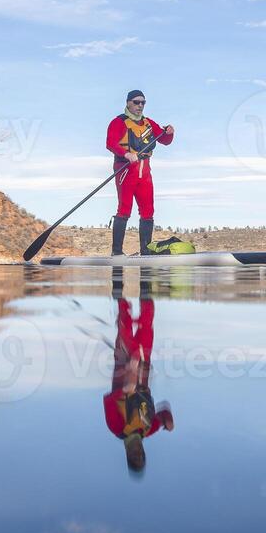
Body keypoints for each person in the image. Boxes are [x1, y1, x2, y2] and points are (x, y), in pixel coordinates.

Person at [102, 271, 174, 476]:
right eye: (141, 456)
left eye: (134, 457)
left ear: (127, 456)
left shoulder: (116, 427)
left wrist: (128, 383)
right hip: (143, 365)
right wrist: (169, 421)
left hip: (124, 366)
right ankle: (146, 281)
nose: (137, 453)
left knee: (125, 319)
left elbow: (109, 400)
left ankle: (118, 281)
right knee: (147, 320)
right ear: (144, 453)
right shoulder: (148, 430)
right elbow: (164, 412)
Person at [106, 90, 174, 255]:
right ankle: (116, 252)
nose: (140, 106)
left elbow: (165, 141)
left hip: (145, 171)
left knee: (148, 211)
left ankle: (146, 250)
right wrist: (126, 154)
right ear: (128, 102)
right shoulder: (118, 122)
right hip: (125, 170)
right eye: (136, 102)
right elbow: (110, 143)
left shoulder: (148, 123)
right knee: (124, 209)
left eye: (143, 102)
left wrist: (170, 133)